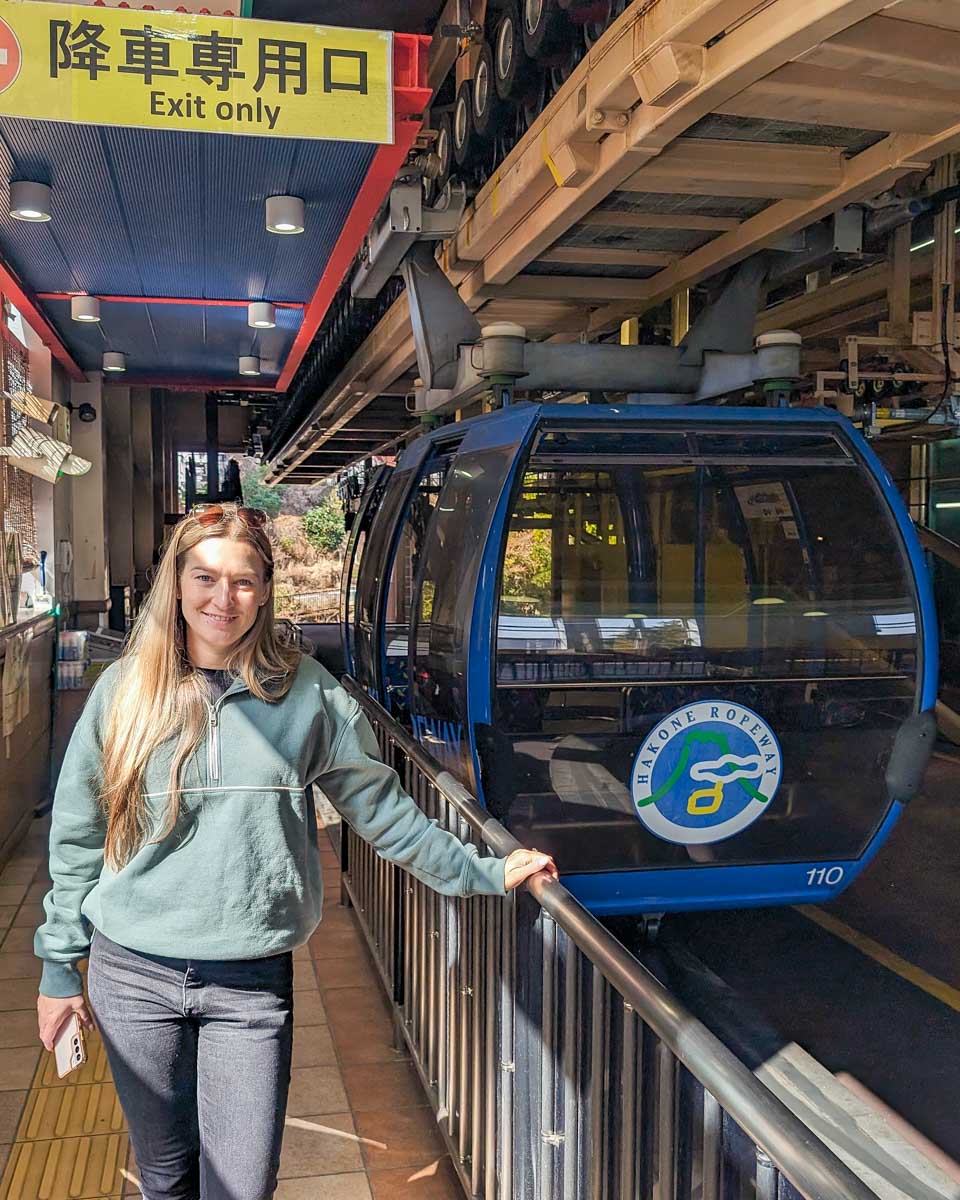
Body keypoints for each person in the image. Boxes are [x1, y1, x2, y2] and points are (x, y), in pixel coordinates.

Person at [34, 503, 557, 1200]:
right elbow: (75, 840)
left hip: (248, 982)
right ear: (177, 583)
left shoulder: (307, 695)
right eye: (206, 577)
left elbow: (385, 815)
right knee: (166, 1176)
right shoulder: (123, 694)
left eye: (244, 581)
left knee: (244, 1187)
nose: (224, 599)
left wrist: (487, 872)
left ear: (265, 589)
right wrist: (58, 971)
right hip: (131, 973)